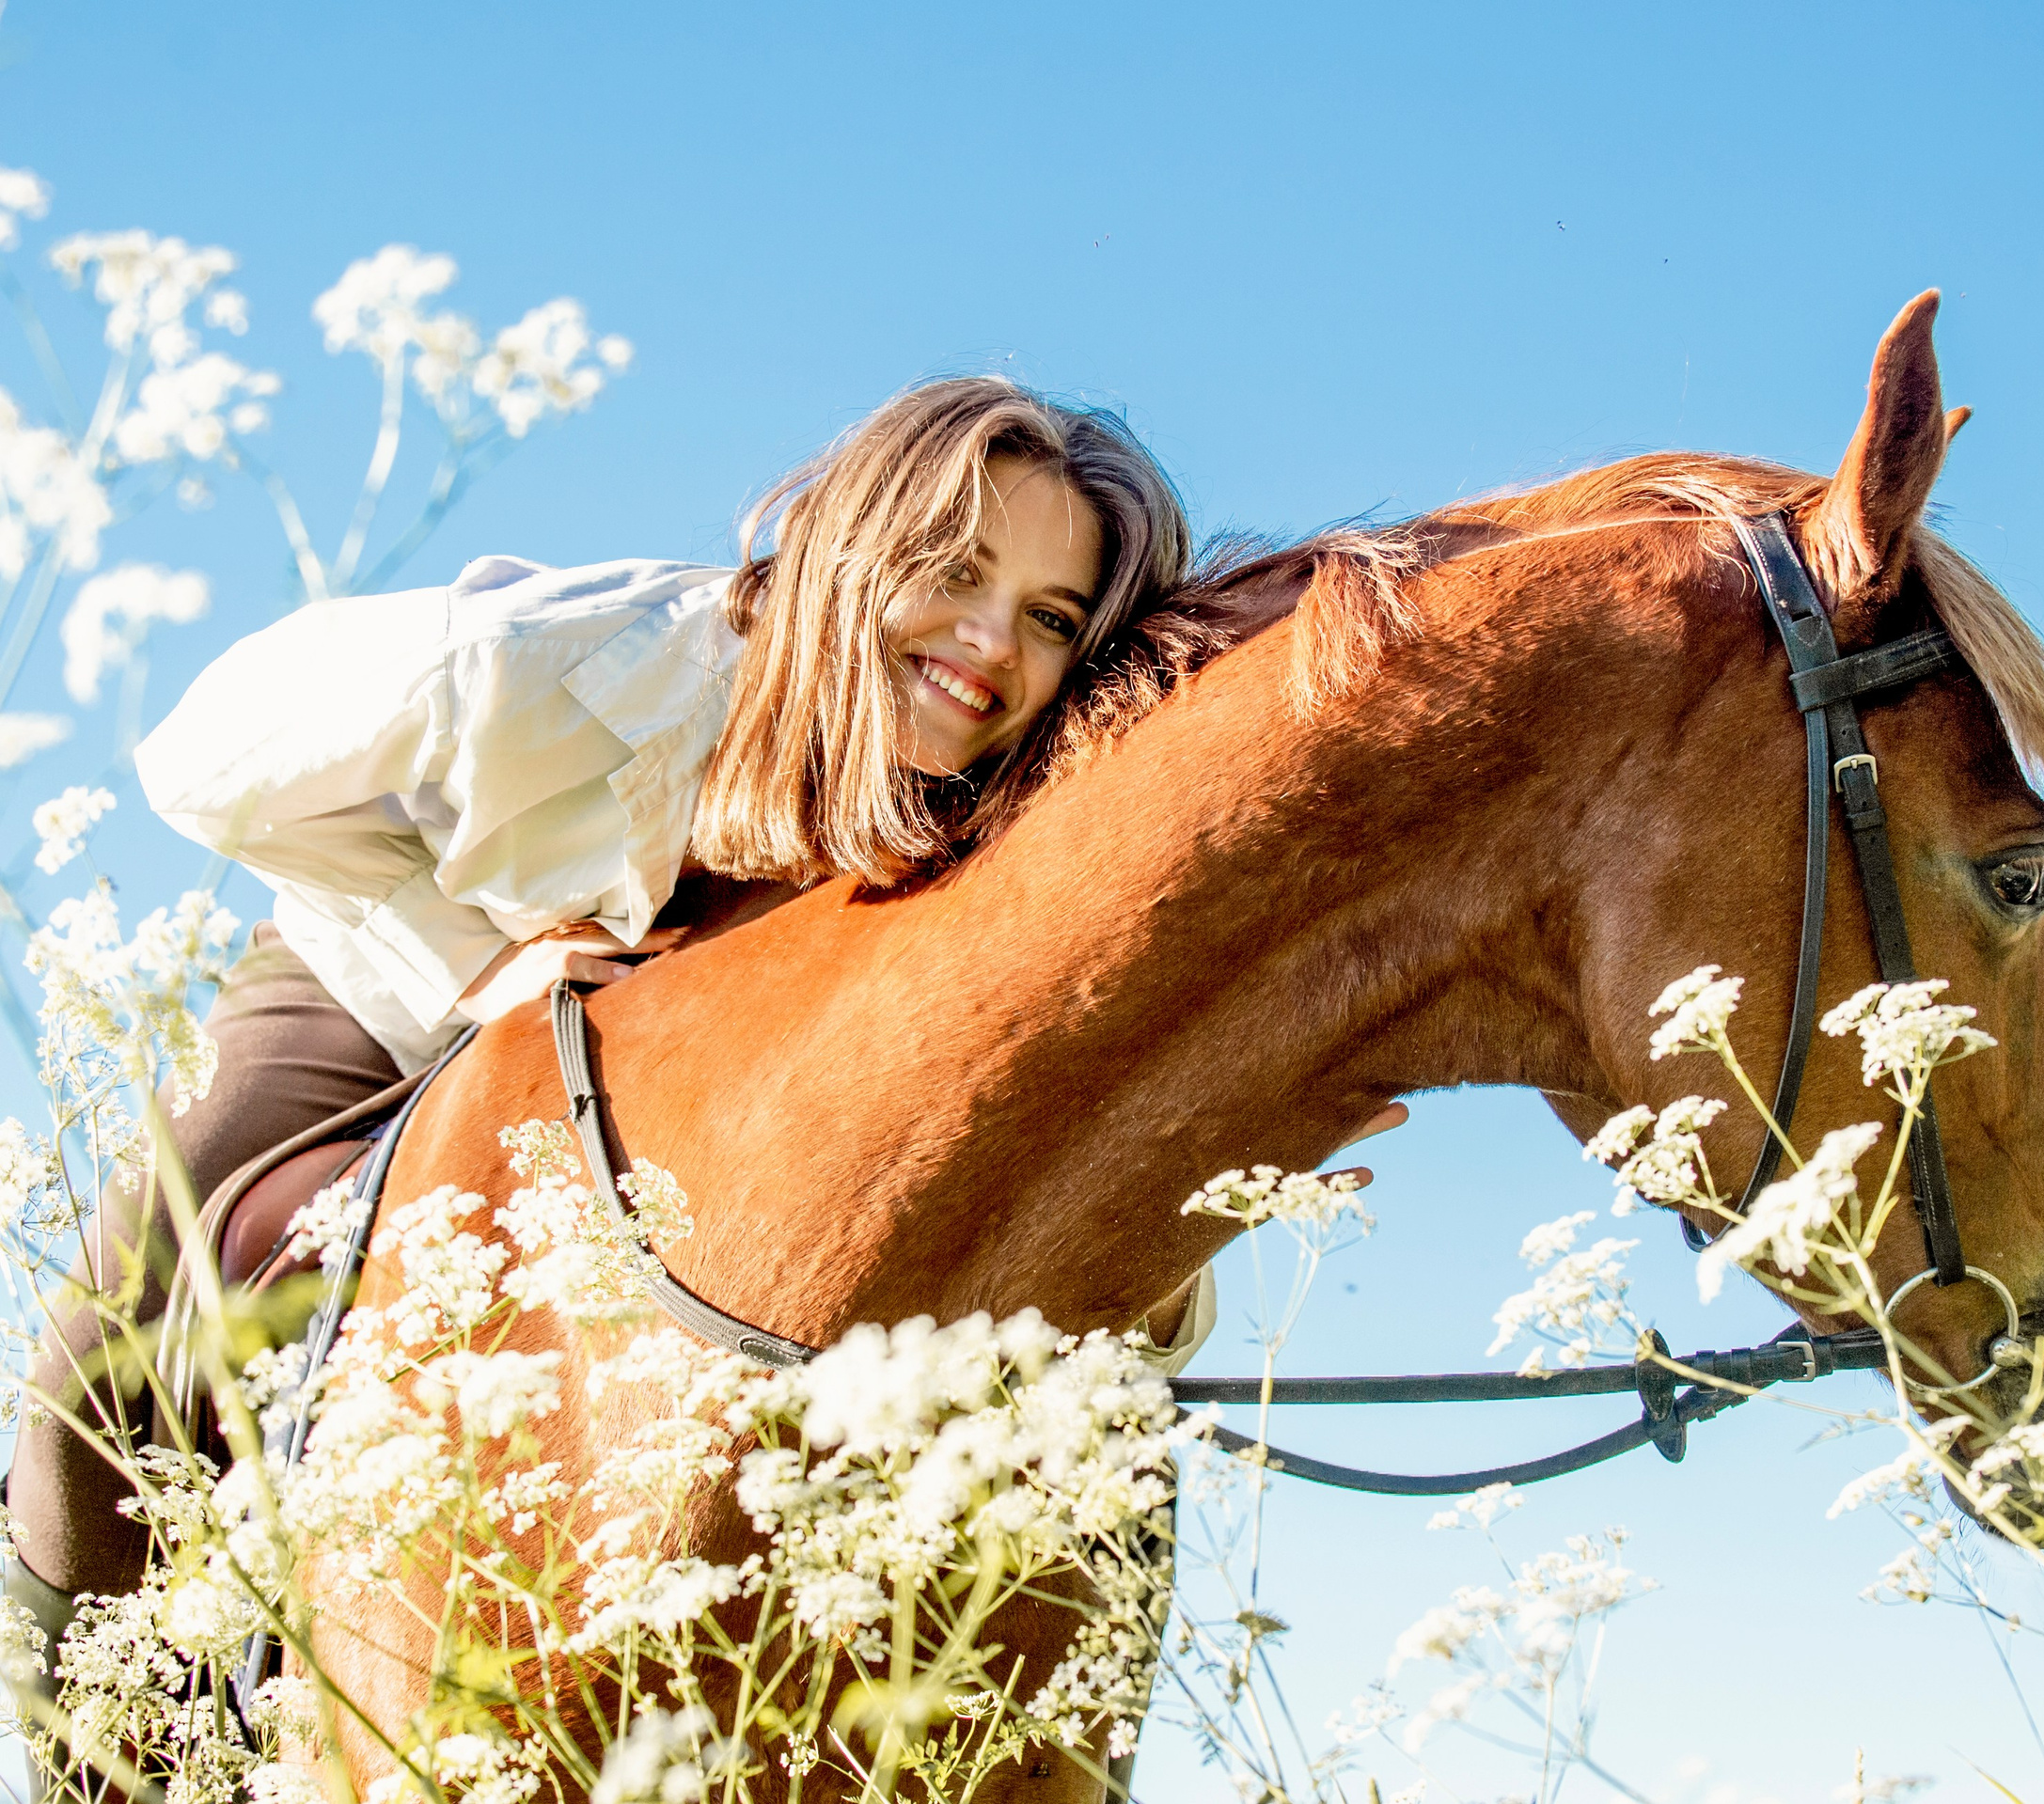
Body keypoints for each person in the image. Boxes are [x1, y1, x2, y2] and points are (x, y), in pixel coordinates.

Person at [5, 376, 1405, 1677]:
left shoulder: (994, 843)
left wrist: (1210, 1192)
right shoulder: (569, 659)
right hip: (385, 983)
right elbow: (200, 756)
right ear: (856, 550)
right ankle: (92, 1718)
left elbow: (1004, 1211)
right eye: (958, 572)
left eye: (1050, 617)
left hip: (645, 1105)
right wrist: (471, 976)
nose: (989, 644)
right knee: (137, 1304)